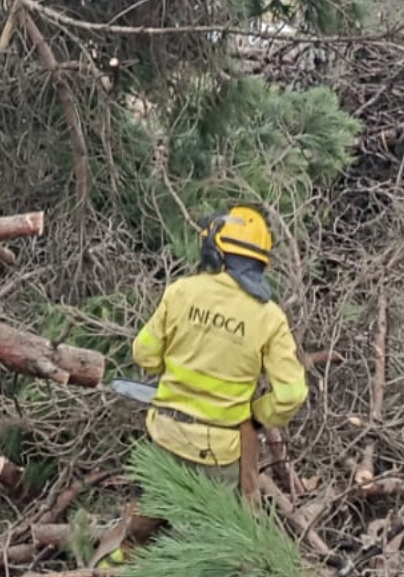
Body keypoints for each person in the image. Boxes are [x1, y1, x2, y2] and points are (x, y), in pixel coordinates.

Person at [130, 205, 308, 485]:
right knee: (210, 527)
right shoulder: (270, 318)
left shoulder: (182, 292)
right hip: (218, 454)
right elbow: (292, 394)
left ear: (216, 252)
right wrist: (257, 415)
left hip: (166, 436)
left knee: (150, 518)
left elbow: (144, 354)